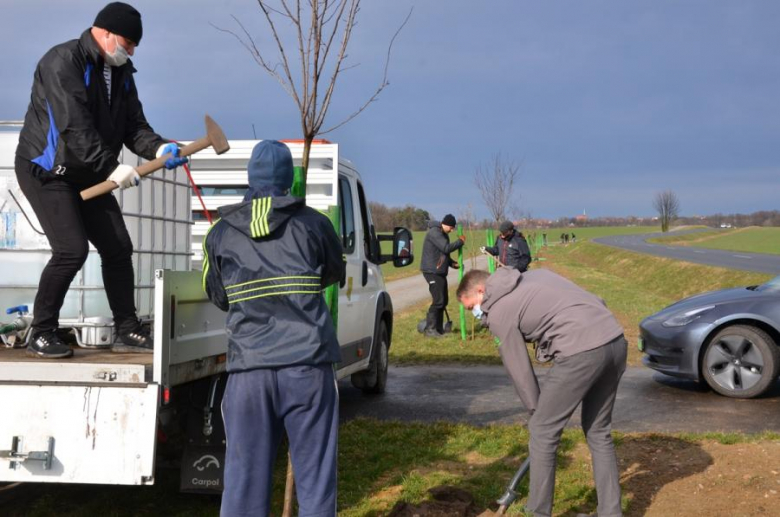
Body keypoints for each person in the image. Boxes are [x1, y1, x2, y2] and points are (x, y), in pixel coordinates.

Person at [14, 2, 187, 358]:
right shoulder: (62, 61)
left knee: (118, 247)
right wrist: (112, 167)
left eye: (136, 44)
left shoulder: (121, 73)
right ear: (104, 32)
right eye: (128, 41)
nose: (132, 50)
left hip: (88, 171)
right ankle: (42, 331)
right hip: (48, 171)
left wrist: (159, 148)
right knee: (71, 250)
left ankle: (127, 328)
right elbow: (73, 126)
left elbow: (134, 127)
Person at [203, 140, 345, 516]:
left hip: (249, 371)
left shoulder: (220, 233)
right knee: (316, 480)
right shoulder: (315, 224)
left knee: (243, 481)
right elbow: (333, 273)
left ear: (249, 177)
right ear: (289, 179)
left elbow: (217, 295)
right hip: (308, 366)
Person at [457, 268, 627, 517]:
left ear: (481, 290)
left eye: (471, 306)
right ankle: (611, 513)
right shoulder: (532, 276)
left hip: (580, 351)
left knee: (542, 433)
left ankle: (537, 512)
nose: (475, 314)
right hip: (614, 340)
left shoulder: (500, 312)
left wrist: (538, 412)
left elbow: (520, 371)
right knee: (598, 431)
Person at [419, 214, 465, 338]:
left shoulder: (443, 234)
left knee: (443, 300)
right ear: (445, 224)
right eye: (451, 227)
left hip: (439, 272)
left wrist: (451, 263)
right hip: (432, 271)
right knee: (438, 300)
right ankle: (430, 330)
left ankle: (438, 329)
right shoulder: (434, 233)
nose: (452, 230)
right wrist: (460, 242)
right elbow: (445, 248)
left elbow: (443, 254)